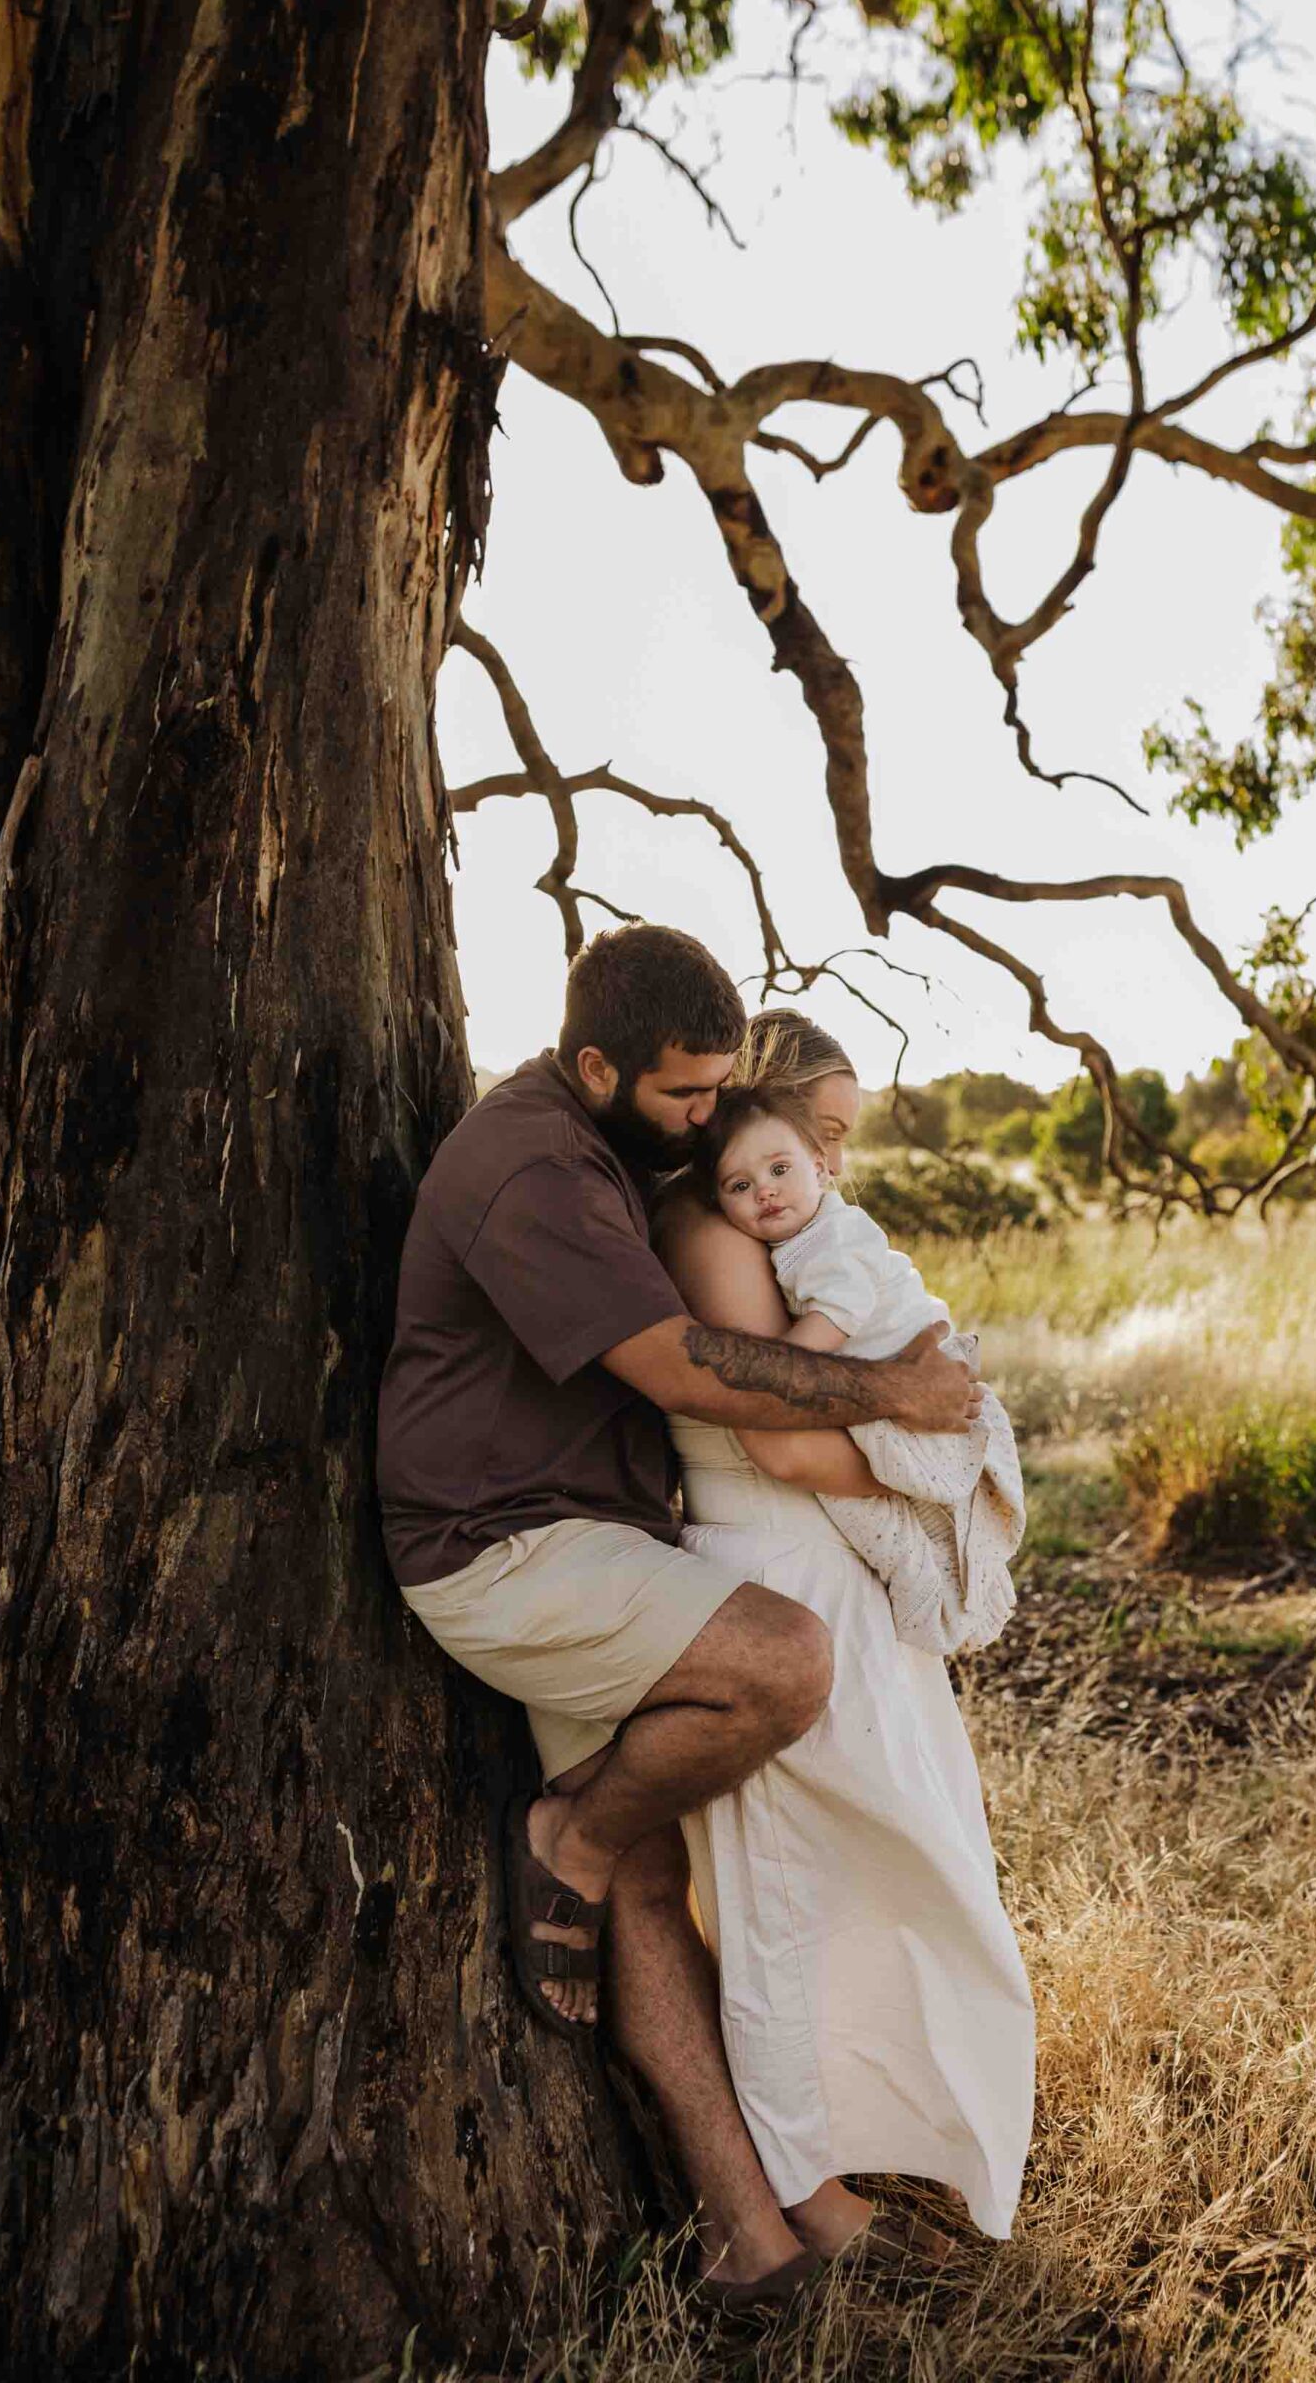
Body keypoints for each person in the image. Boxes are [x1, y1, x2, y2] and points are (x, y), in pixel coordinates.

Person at [375, 931, 980, 2308]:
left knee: (649, 1884)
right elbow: (684, 1369)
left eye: (720, 1095)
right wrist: (892, 1392)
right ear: (595, 1065)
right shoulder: (533, 1168)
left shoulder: (608, 1153)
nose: (710, 1120)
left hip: (585, 1539)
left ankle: (751, 2236)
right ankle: (562, 1834)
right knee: (783, 1662)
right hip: (502, 1548)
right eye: (685, 1097)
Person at [655, 1011, 1036, 2265]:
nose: (828, 1162)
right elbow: (769, 1426)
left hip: (814, 1563)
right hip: (772, 1565)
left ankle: (869, 2134)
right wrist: (922, 1475)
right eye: (817, 1131)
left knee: (885, 1861)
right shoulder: (717, 1231)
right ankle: (804, 2188)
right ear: (759, 1109)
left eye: (837, 1146)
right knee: (783, 1887)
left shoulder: (790, 1225)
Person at [692, 1080, 1023, 1652]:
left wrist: (779, 1368)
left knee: (915, 1520)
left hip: (902, 1365)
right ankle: (928, 1585)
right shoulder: (776, 1240)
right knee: (894, 1532)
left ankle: (942, 1589)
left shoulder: (835, 1234)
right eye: (740, 1185)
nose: (765, 1193)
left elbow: (836, 1316)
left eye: (779, 1171)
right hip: (879, 1383)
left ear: (818, 1169)